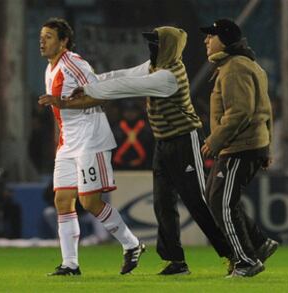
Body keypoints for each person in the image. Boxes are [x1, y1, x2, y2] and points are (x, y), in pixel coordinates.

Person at [47, 26, 235, 275]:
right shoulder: (154, 66)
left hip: (184, 140)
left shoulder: (168, 75)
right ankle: (175, 261)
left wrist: (89, 90)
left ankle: (235, 252)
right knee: (162, 203)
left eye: (156, 44)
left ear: (167, 47)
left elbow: (128, 86)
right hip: (163, 141)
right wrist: (93, 81)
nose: (152, 49)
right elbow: (122, 74)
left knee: (198, 201)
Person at [38, 18, 144, 276]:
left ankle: (131, 244)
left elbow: (103, 93)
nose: (42, 41)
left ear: (64, 41)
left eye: (49, 36)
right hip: (67, 144)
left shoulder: (74, 63)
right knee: (62, 200)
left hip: (90, 138)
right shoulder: (49, 69)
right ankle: (70, 264)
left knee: (89, 202)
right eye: (41, 36)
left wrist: (62, 103)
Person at [200, 19, 279, 277]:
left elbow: (240, 112)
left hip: (239, 146)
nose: (206, 41)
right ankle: (257, 243)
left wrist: (215, 140)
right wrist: (266, 146)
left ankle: (246, 261)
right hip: (245, 145)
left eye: (210, 36)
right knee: (217, 198)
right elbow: (266, 110)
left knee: (221, 202)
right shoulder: (242, 64)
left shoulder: (235, 67)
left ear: (224, 39)